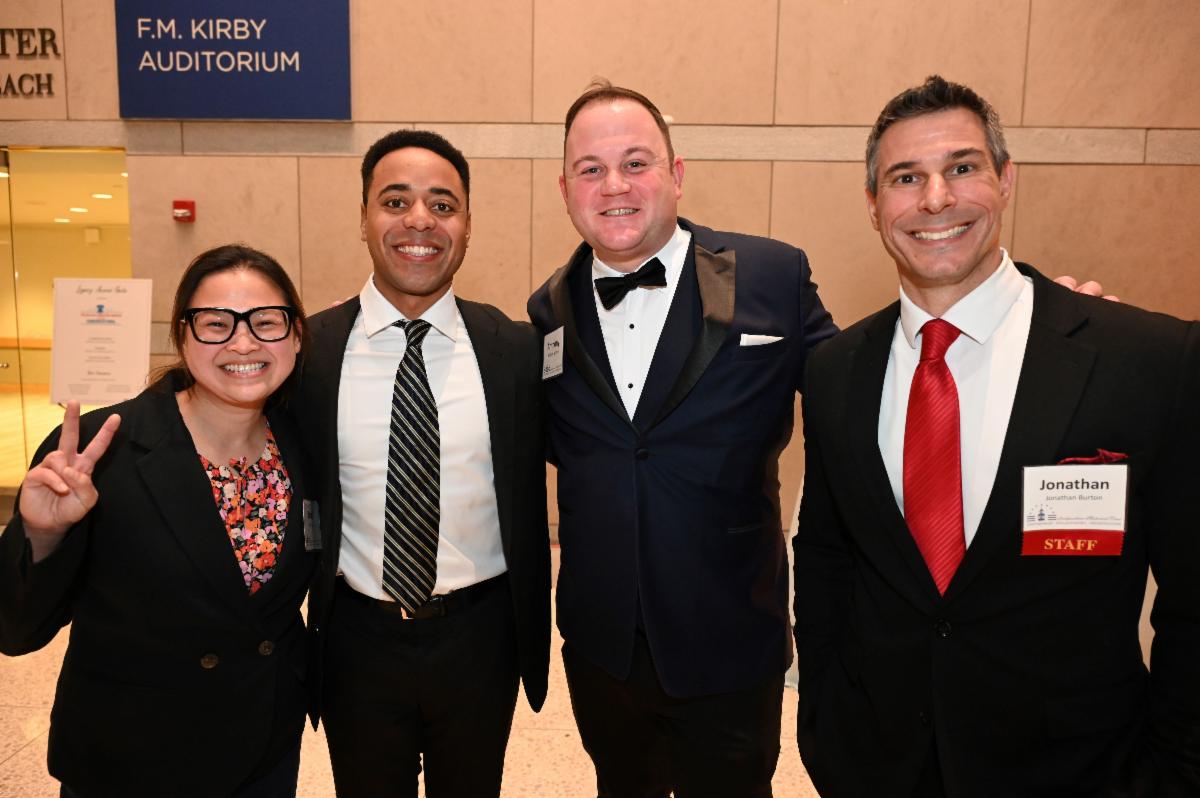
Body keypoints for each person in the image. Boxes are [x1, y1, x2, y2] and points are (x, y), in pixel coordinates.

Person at [793, 75, 1200, 797]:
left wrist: (1174, 772)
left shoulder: (1146, 362)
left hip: (1078, 772)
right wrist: (824, 726)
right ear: (874, 205)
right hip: (880, 765)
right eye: (906, 177)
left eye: (962, 167)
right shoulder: (834, 371)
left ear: (1005, 180)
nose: (936, 199)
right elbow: (828, 559)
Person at [527, 81, 838, 797]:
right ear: (566, 189)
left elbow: (858, 391)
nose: (614, 186)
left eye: (636, 163)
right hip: (603, 649)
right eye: (591, 169)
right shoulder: (547, 312)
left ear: (677, 174)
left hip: (731, 637)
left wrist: (1011, 341)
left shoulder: (772, 275)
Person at [0, 244, 315, 798]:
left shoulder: (303, 443)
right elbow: (15, 629)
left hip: (263, 746)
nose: (243, 343)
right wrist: (45, 534)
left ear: (295, 336)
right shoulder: (103, 451)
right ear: (183, 337)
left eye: (266, 322)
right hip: (132, 755)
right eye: (215, 324)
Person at [296, 130, 550, 798]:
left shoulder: (517, 352)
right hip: (356, 640)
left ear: (466, 226)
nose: (419, 221)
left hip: (481, 639)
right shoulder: (309, 353)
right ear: (363, 218)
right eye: (395, 201)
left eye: (442, 205)